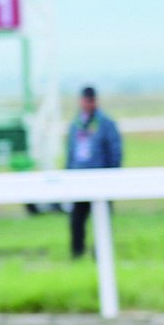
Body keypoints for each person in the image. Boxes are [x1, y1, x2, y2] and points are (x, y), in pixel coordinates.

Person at [64, 85, 122, 257]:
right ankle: (77, 254)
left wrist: (112, 175)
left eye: (91, 100)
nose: (88, 104)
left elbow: (115, 151)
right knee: (77, 219)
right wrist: (68, 173)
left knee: (102, 220)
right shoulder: (76, 124)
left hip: (100, 178)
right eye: (85, 100)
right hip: (79, 178)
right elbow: (70, 151)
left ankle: (101, 254)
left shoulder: (105, 123)